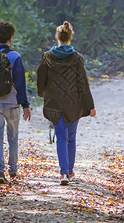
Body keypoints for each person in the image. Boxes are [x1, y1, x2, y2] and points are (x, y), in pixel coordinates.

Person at [37, 21, 96, 185]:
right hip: (74, 103)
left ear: (57, 38)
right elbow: (83, 83)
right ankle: (69, 171)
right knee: (71, 137)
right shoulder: (77, 58)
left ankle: (63, 173)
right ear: (70, 38)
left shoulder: (47, 57)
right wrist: (90, 105)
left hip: (54, 102)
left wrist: (43, 94)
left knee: (61, 137)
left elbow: (41, 78)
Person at [0, 21, 31, 184]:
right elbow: (20, 82)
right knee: (12, 137)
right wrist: (25, 105)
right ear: (10, 38)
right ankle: (13, 170)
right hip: (12, 103)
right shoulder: (15, 56)